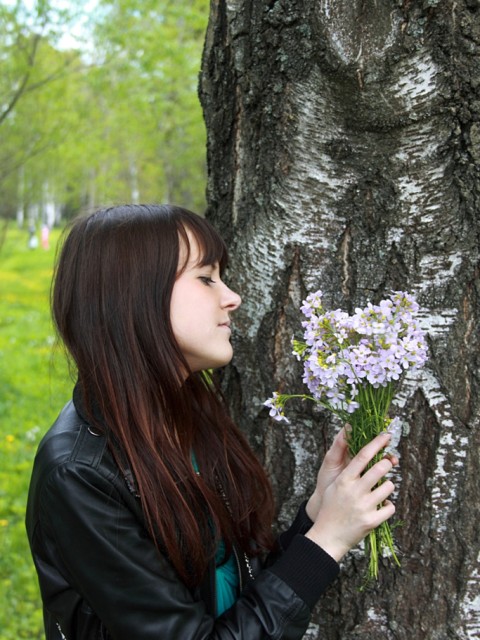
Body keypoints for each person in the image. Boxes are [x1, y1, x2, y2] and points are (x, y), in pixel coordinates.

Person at [26, 204, 397, 640]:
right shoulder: (79, 476)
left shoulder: (184, 414)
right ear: (134, 295)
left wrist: (318, 516)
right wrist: (326, 542)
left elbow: (234, 586)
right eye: (206, 278)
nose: (232, 297)